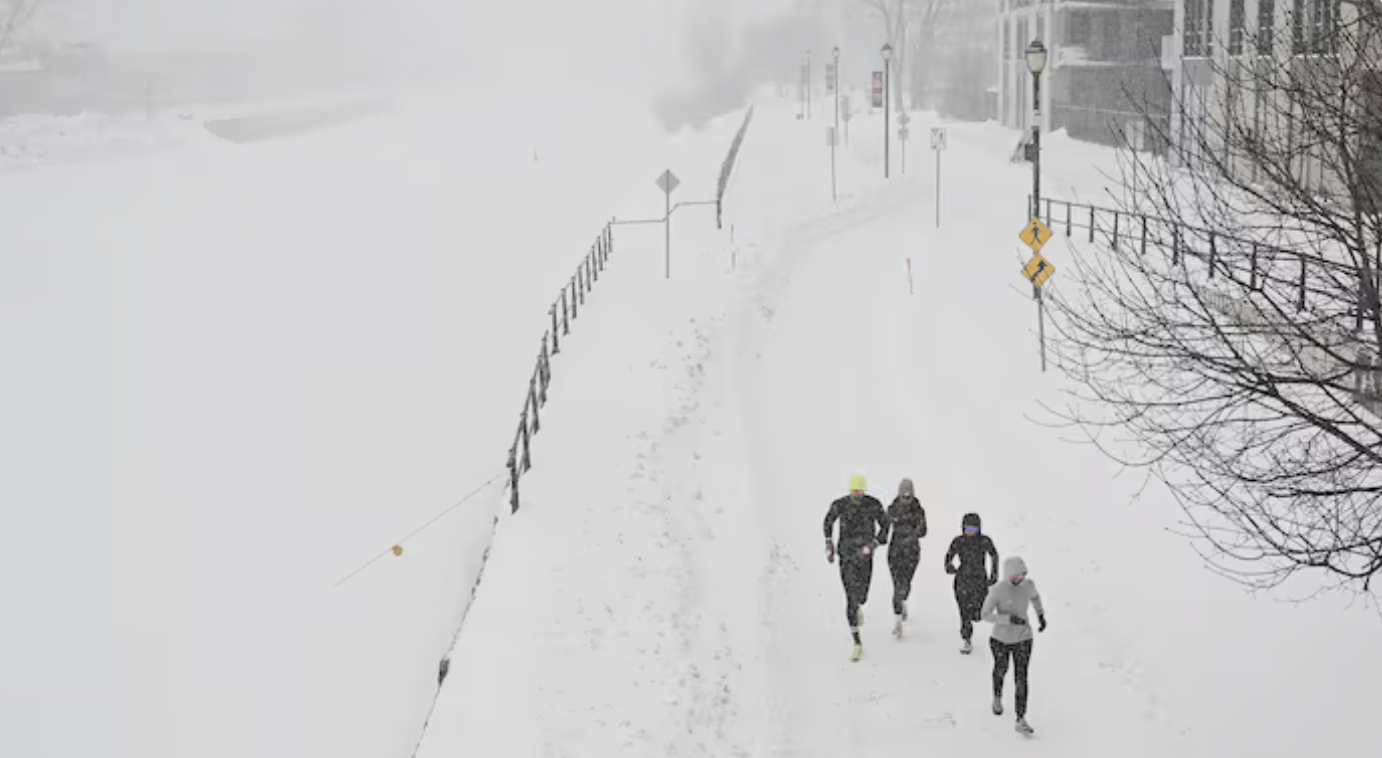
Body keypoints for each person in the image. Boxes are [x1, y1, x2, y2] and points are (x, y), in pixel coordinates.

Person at [823, 473, 889, 661]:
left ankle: (859, 605)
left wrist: (875, 543)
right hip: (846, 555)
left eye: (859, 492)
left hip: (865, 555)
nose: (857, 495)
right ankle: (857, 642)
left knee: (862, 596)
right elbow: (828, 521)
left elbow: (885, 526)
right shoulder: (841, 504)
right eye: (854, 492)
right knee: (850, 598)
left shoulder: (873, 504)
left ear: (864, 491)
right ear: (849, 491)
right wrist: (829, 543)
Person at [981, 555, 1047, 735]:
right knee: (1001, 669)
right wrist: (1007, 619)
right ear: (1007, 575)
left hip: (1023, 638)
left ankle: (1021, 717)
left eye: (1021, 576)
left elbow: (1035, 598)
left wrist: (1040, 615)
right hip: (1000, 639)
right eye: (1014, 577)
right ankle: (997, 696)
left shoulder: (1028, 585)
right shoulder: (997, 590)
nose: (1018, 580)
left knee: (1021, 677)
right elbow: (985, 614)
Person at [943, 512, 999, 655]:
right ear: (963, 528)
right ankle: (967, 638)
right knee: (964, 612)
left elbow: (994, 555)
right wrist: (948, 566)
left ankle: (975, 616)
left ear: (979, 529)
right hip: (962, 580)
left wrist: (994, 574)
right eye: (967, 530)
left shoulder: (984, 541)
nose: (970, 533)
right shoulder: (958, 541)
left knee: (978, 614)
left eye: (973, 530)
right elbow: (949, 555)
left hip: (980, 580)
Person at [879, 478, 926, 638]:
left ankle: (903, 602)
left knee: (905, 585)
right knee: (897, 586)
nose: (906, 499)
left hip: (912, 552)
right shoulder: (892, 508)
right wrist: (881, 538)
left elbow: (923, 530)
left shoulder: (918, 509)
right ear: (898, 494)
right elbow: (884, 528)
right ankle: (897, 622)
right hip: (895, 552)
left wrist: (915, 532)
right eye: (903, 496)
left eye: (909, 496)